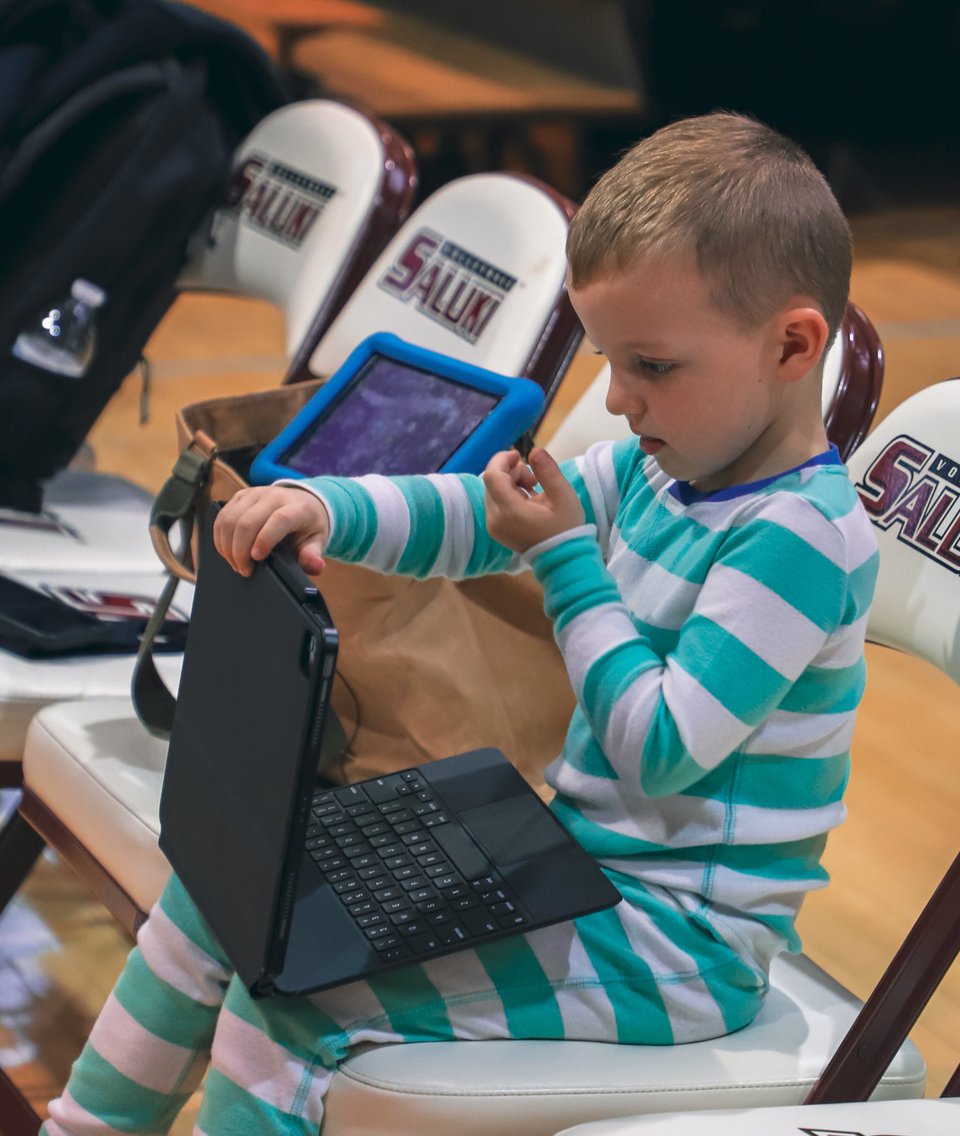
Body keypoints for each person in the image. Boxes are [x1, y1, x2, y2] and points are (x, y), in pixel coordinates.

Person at [44, 111, 878, 1136]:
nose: (617, 400)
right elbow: (473, 522)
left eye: (652, 366)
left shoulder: (801, 536)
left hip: (676, 945)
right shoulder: (663, 468)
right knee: (223, 887)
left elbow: (660, 747)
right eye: (610, 361)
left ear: (793, 344)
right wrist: (329, 507)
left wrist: (568, 560)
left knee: (289, 994)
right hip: (569, 868)